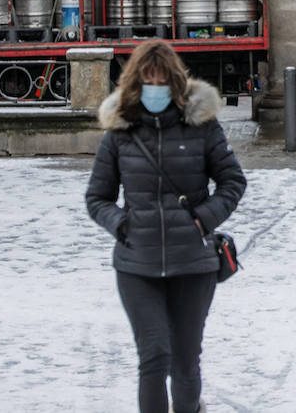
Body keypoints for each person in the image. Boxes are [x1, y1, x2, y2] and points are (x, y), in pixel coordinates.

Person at [86, 40, 247, 413]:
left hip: (193, 263)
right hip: (137, 266)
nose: (154, 89)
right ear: (134, 84)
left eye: (161, 80)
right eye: (147, 80)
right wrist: (121, 225)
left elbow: (232, 181)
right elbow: (97, 198)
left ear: (175, 83)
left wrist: (203, 218)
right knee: (154, 357)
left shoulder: (202, 127)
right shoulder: (119, 134)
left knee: (185, 362)